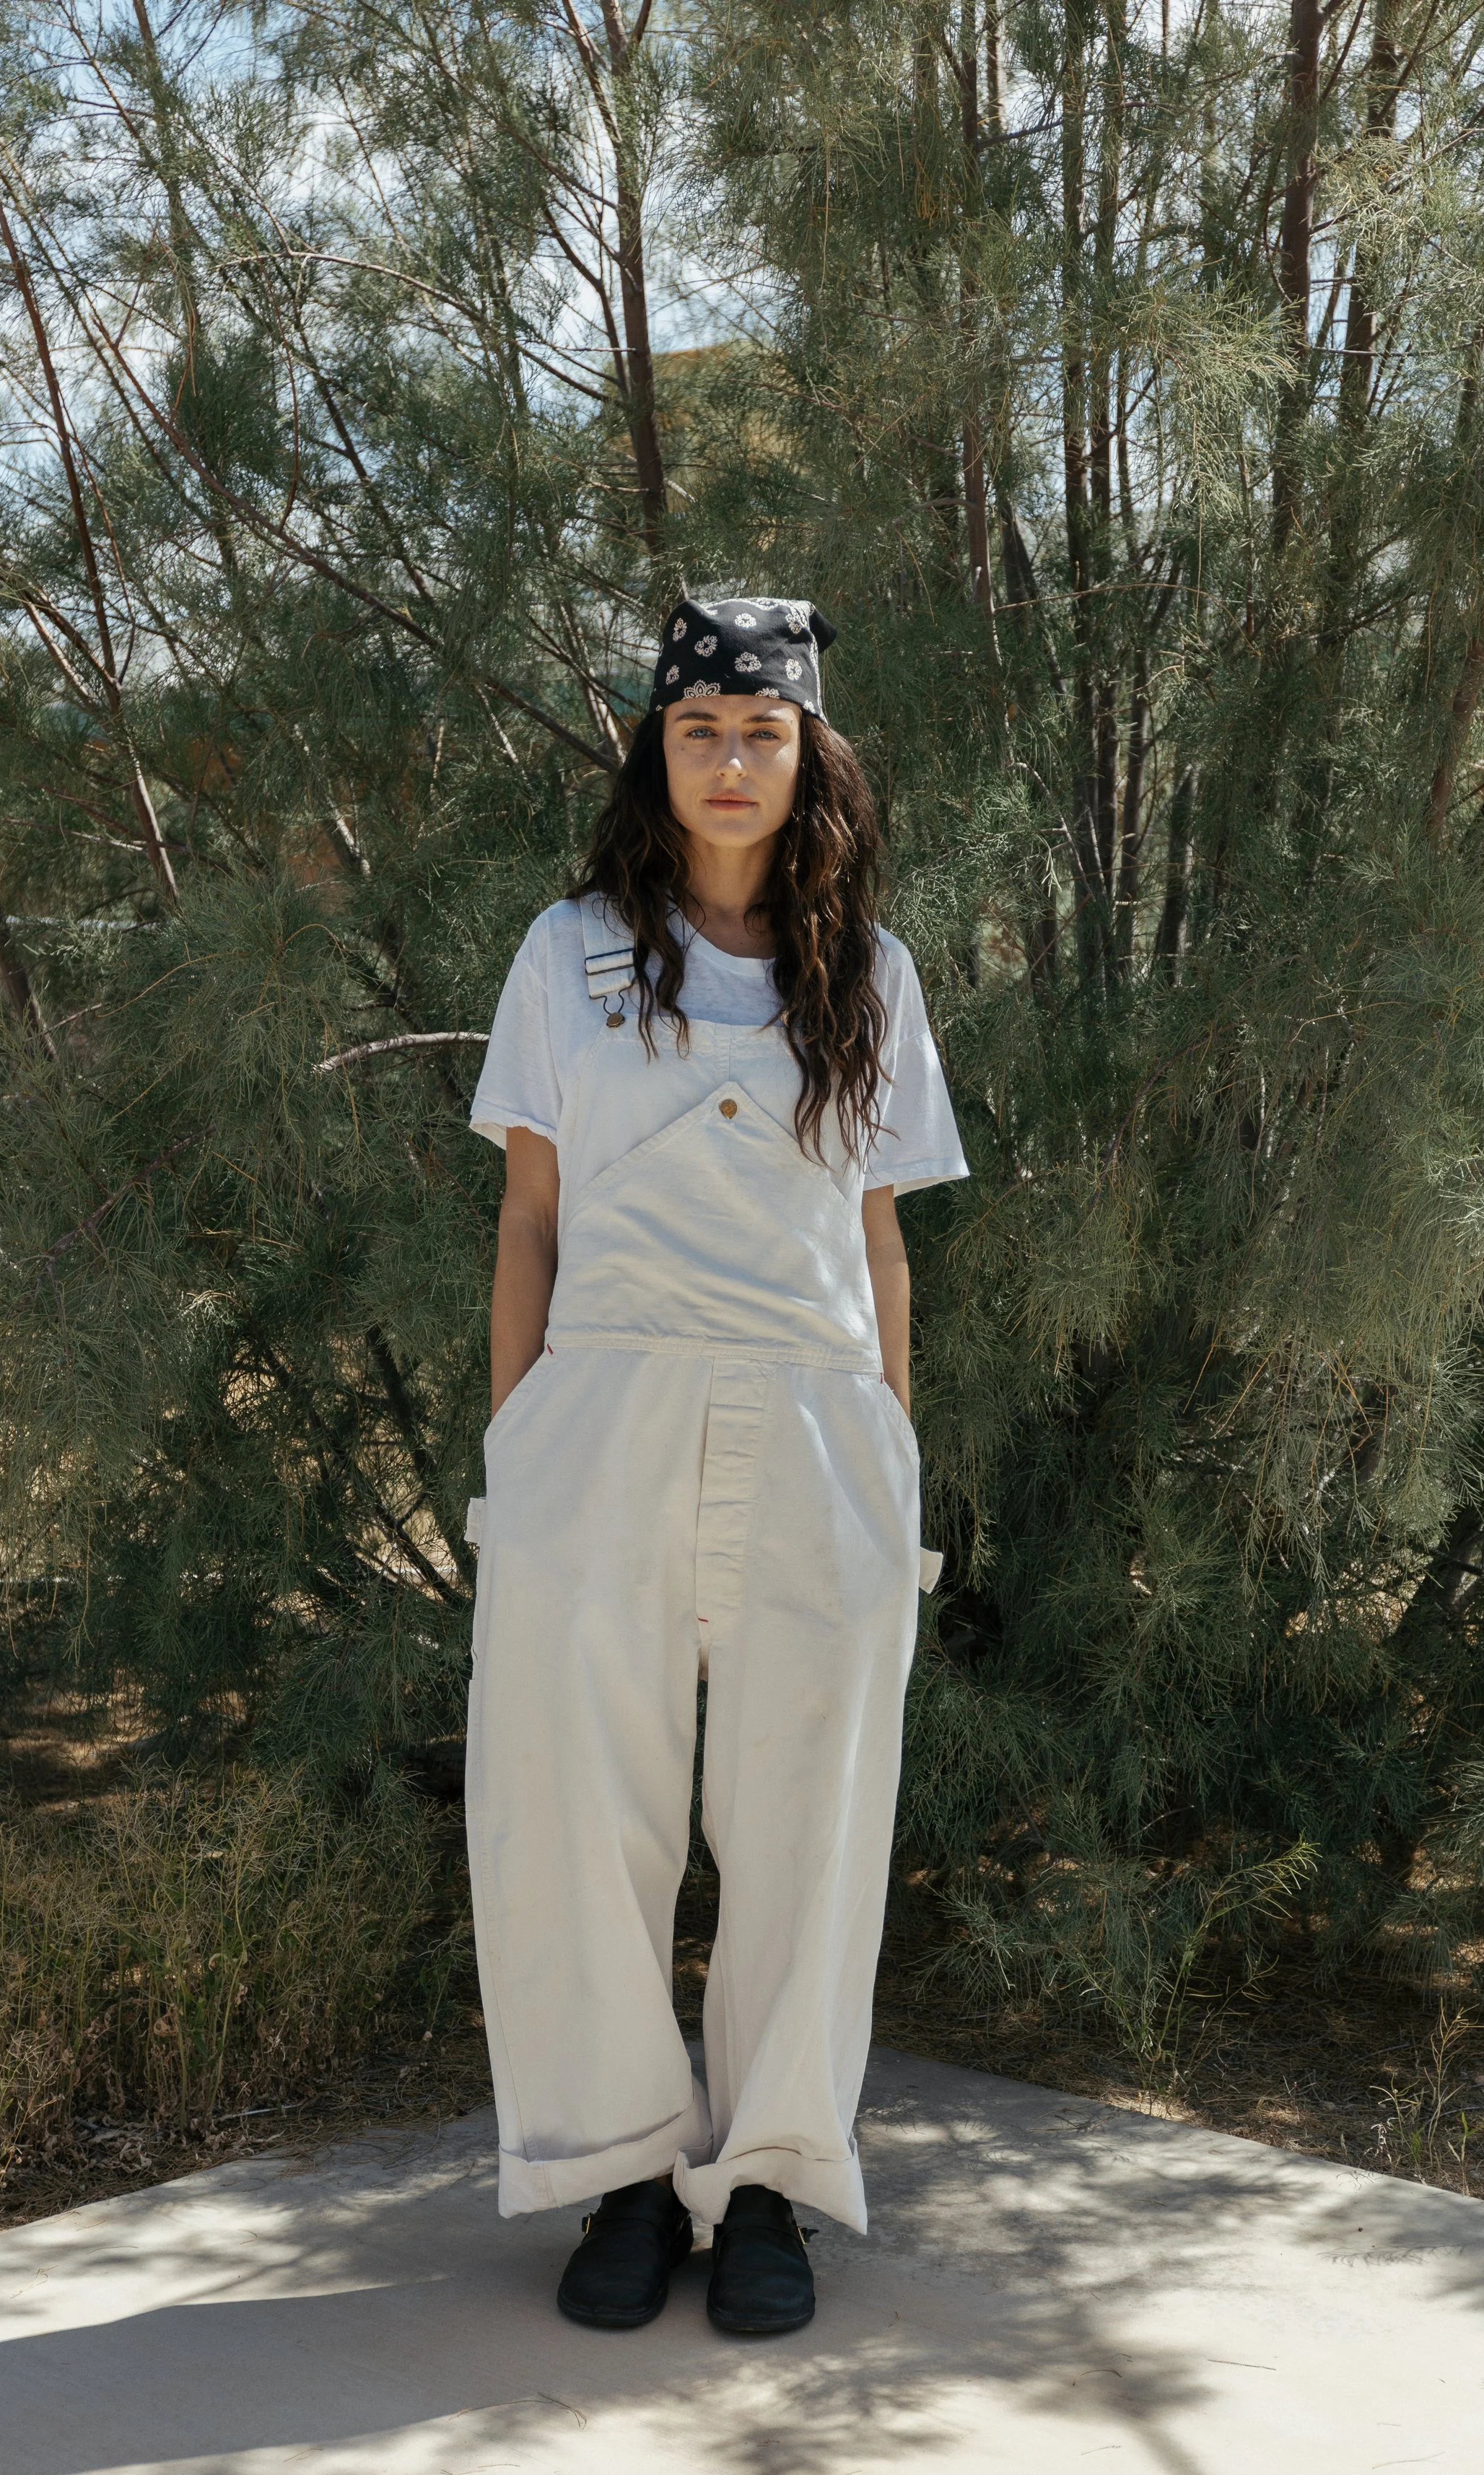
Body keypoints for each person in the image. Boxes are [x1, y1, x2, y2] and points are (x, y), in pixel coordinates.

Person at [463, 596, 966, 2335]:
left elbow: (882, 1242)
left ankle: (767, 2187)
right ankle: (617, 2174)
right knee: (575, 1811)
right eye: (700, 732)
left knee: (805, 1819)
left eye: (762, 733)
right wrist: (515, 1442)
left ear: (804, 754)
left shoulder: (871, 978)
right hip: (596, 1414)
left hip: (818, 1418)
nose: (731, 760)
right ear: (657, 754)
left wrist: (889, 1446)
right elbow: (528, 1215)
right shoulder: (567, 954)